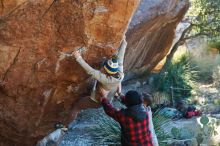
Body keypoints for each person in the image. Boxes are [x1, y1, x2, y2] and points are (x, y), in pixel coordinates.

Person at [69, 37, 127, 121]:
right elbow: (120, 57)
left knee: (77, 107)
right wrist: (124, 42)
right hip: (107, 96)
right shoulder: (119, 74)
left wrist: (78, 57)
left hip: (96, 101)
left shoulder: (106, 79)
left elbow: (91, 71)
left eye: (104, 68)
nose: (102, 68)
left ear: (107, 71)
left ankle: (65, 126)